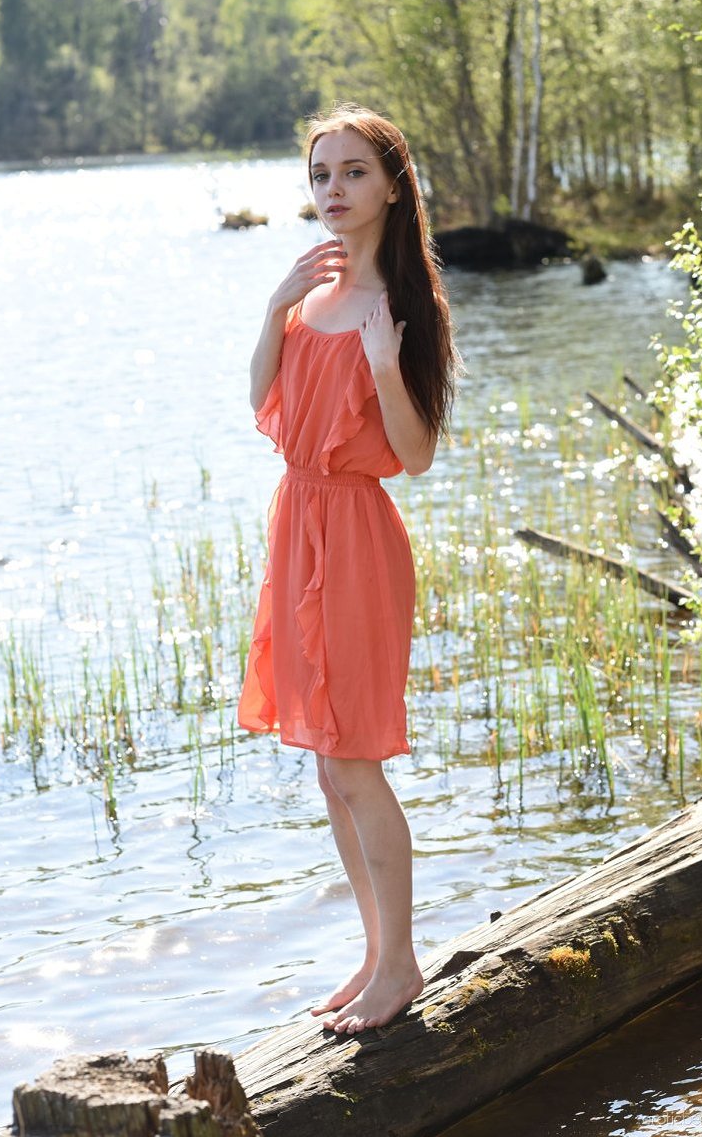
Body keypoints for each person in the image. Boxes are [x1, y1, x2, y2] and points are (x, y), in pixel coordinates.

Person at [237, 104, 458, 1035]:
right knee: (330, 767)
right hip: (299, 522)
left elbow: (417, 455)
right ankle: (375, 954)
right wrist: (273, 308)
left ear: (393, 186)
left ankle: (400, 964)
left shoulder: (403, 304)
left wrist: (382, 368)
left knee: (353, 759)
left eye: (354, 171)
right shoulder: (308, 292)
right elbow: (261, 398)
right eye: (321, 173)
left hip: (357, 536)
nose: (334, 189)